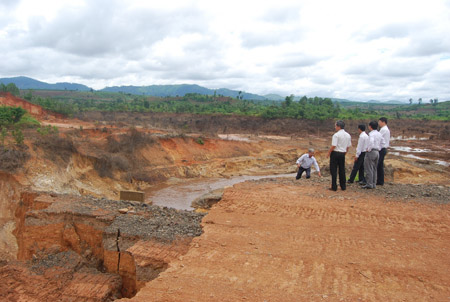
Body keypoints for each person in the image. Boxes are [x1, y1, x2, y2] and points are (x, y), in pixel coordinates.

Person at [327, 120, 351, 191]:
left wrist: (329, 152)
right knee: (342, 169)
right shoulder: (348, 135)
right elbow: (348, 146)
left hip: (335, 153)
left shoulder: (336, 135)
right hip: (342, 153)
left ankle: (334, 186)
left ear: (339, 126)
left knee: (333, 170)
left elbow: (334, 145)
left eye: (335, 126)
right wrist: (345, 153)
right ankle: (343, 186)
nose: (335, 127)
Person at [362, 121, 384, 189]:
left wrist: (368, 149)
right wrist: (379, 148)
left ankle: (369, 184)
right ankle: (374, 183)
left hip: (371, 152)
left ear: (370, 126)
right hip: (377, 152)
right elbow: (383, 142)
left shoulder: (371, 134)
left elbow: (371, 142)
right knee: (374, 168)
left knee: (369, 168)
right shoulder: (379, 134)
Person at [377, 117, 390, 186]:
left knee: (377, 165)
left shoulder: (383, 130)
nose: (379, 123)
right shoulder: (385, 129)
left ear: (383, 122)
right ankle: (380, 181)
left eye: (379, 122)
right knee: (380, 166)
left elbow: (378, 138)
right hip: (383, 149)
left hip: (381, 149)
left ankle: (375, 180)